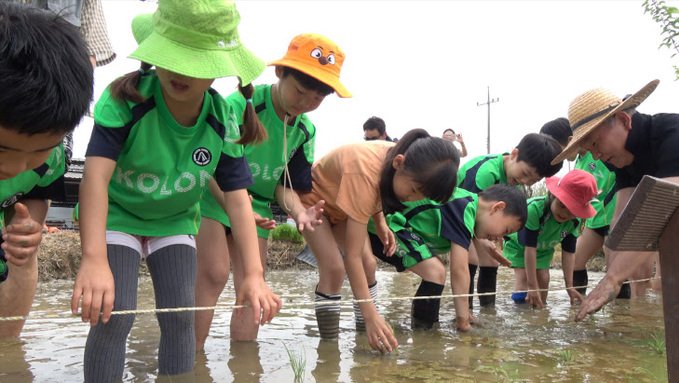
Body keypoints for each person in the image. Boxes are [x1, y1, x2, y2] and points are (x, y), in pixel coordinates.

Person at [69, 1, 282, 381]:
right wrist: (93, 258)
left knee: (182, 315)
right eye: (174, 56)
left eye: (195, 62)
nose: (180, 71)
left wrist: (253, 273)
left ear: (220, 68)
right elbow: (96, 179)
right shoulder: (127, 99)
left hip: (174, 220)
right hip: (118, 214)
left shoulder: (222, 118)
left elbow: (237, 202)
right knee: (113, 315)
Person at [194, 32, 350, 347]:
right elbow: (207, 165)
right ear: (280, 72)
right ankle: (190, 358)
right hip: (212, 200)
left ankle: (245, 363)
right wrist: (234, 206)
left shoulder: (305, 130)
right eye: (301, 91)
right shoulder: (240, 105)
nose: (307, 103)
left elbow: (284, 186)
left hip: (260, 210)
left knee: (253, 286)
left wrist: (299, 212)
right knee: (213, 273)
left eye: (317, 99)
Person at [294, 129, 459, 352]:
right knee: (334, 268)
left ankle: (366, 335)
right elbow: (351, 256)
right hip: (314, 203)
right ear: (399, 163)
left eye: (421, 197)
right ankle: (329, 349)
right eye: (412, 191)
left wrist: (381, 224)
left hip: (343, 206)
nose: (411, 199)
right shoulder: (366, 171)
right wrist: (372, 316)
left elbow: (376, 190)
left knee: (369, 264)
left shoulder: (395, 160)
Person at [546, 80, 678, 321]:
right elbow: (622, 219)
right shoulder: (621, 159)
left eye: (595, 143)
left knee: (666, 279)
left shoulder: (671, 133)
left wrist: (613, 278)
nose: (596, 155)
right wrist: (612, 269)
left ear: (624, 121)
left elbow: (659, 208)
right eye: (589, 149)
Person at [0, 2, 93, 338]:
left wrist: (25, 236)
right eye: (2, 149)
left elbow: (33, 202)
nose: (14, 168)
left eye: (38, 149)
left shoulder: (50, 162)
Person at [368, 184, 527, 330]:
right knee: (435, 272)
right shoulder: (463, 208)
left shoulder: (466, 205)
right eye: (505, 230)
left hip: (392, 226)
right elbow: (459, 270)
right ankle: (424, 337)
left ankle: (427, 330)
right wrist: (462, 321)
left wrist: (464, 312)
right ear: (497, 208)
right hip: (383, 228)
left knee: (435, 270)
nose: (499, 238)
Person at [457, 133, 563, 308]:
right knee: (472, 258)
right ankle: (464, 311)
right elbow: (467, 212)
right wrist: (483, 240)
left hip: (476, 222)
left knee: (490, 262)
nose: (524, 181)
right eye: (525, 173)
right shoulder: (486, 173)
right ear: (514, 154)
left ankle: (488, 311)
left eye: (533, 180)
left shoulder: (513, 176)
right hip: (456, 218)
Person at [539, 117, 622, 298]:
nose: (558, 157)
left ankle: (620, 317)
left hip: (615, 217)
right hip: (595, 220)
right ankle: (578, 304)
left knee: (615, 270)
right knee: (575, 261)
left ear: (571, 141)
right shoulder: (579, 162)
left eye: (558, 152)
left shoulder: (601, 152)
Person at [505, 169, 598, 307]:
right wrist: (531, 285)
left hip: (544, 249)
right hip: (520, 245)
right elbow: (529, 249)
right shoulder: (534, 210)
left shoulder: (574, 221)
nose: (565, 214)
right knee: (524, 279)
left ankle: (540, 311)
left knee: (544, 278)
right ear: (552, 196)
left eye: (573, 211)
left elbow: (569, 252)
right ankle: (521, 314)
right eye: (562, 206)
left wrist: (569, 285)